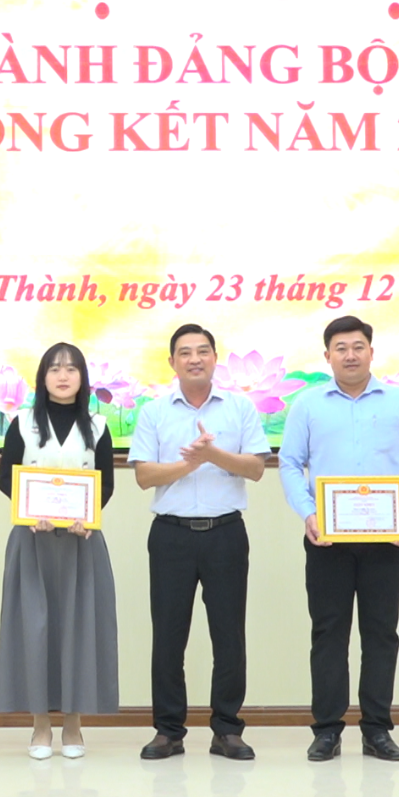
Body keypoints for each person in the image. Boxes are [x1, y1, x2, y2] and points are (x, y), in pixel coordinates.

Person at [279, 315, 399, 762]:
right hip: (326, 539)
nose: (350, 355)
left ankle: (377, 729)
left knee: (381, 634)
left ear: (371, 352)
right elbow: (290, 463)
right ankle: (327, 730)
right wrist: (308, 513)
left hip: (385, 539)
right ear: (327, 355)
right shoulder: (308, 404)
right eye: (341, 348)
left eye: (358, 346)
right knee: (329, 633)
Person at [128, 324, 269, 761]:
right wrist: (189, 465)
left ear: (215, 358)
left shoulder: (240, 408)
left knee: (229, 635)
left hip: (226, 533)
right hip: (171, 535)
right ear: (172, 362)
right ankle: (168, 731)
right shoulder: (154, 411)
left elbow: (255, 469)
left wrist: (212, 455)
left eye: (203, 351)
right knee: (169, 636)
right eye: (185, 352)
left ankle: (227, 729)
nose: (194, 359)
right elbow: (144, 475)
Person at [0, 342, 119, 759]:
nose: (63, 376)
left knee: (78, 627)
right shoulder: (22, 423)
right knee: (35, 629)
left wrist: (88, 515)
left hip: (82, 543)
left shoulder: (98, 426)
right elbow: (8, 478)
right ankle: (40, 725)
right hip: (32, 542)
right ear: (42, 377)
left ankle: (73, 724)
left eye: (71, 369)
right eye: (54, 368)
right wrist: (31, 512)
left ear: (83, 377)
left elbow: (105, 483)